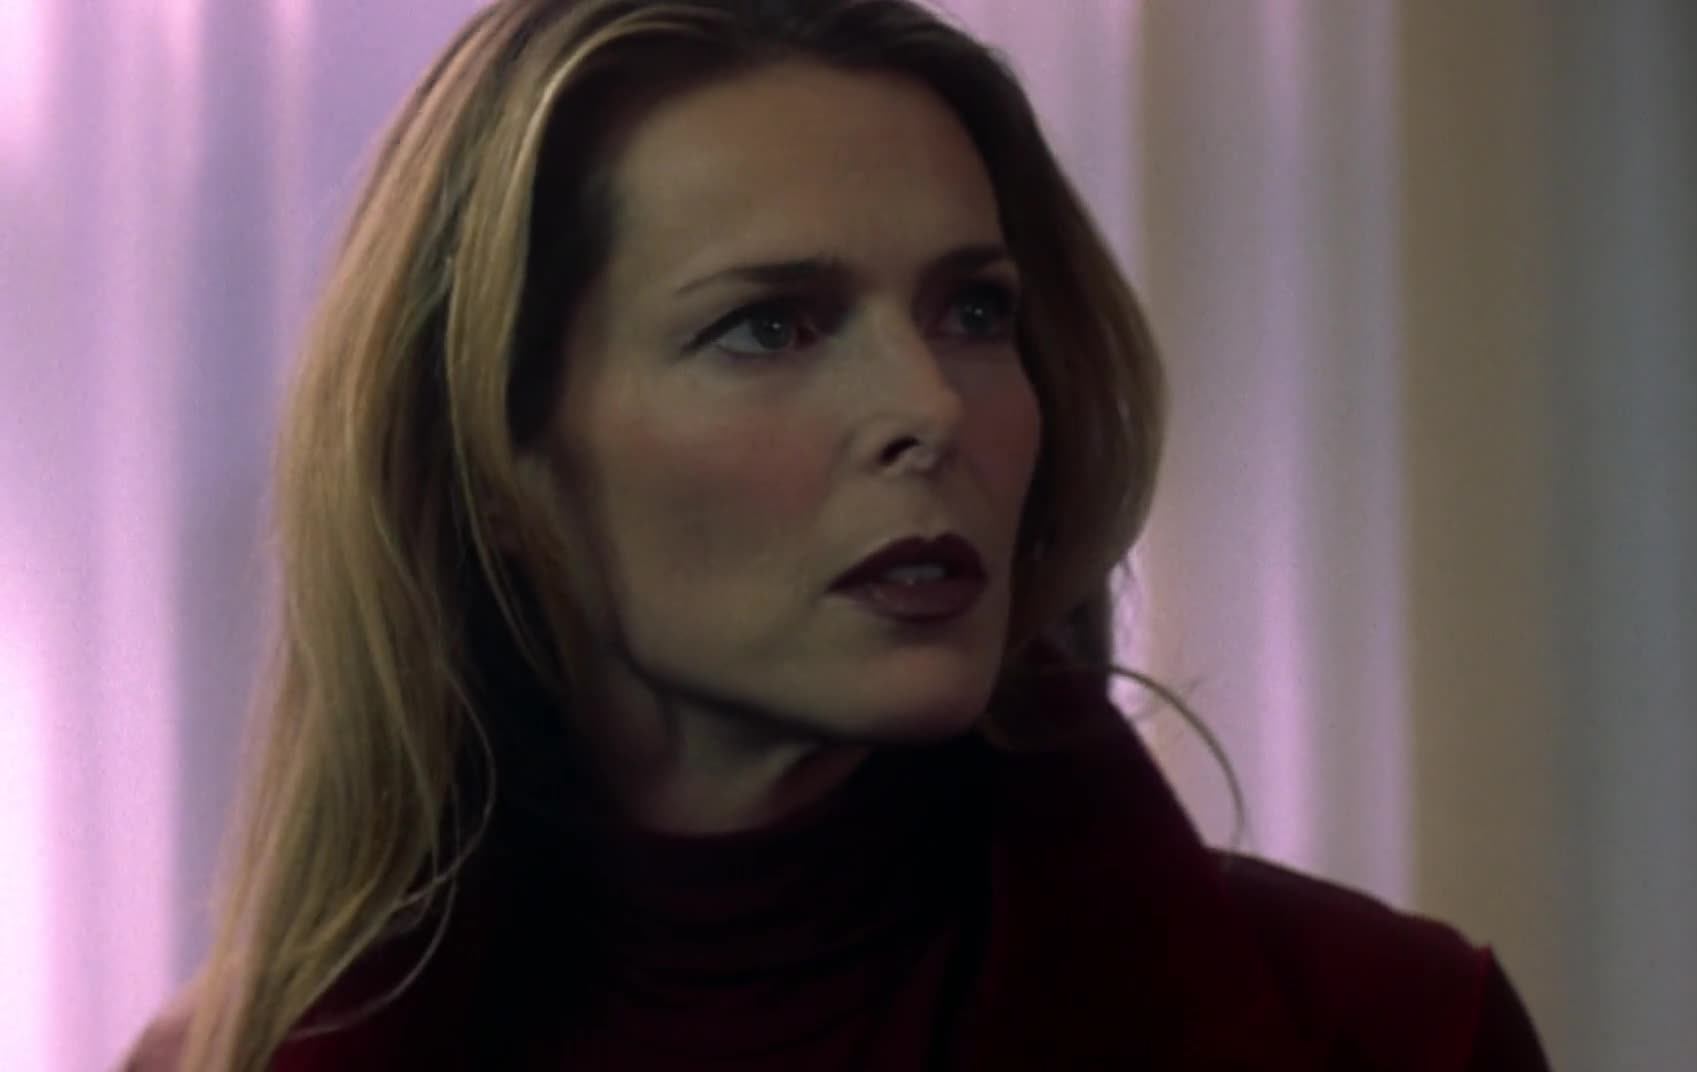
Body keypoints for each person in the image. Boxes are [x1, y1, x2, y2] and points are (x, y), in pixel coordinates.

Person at [124, 1, 1554, 1068]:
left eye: (973, 311)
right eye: (770, 327)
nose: (930, 407)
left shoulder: (1390, 1033)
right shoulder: (229, 1061)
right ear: (499, 454)